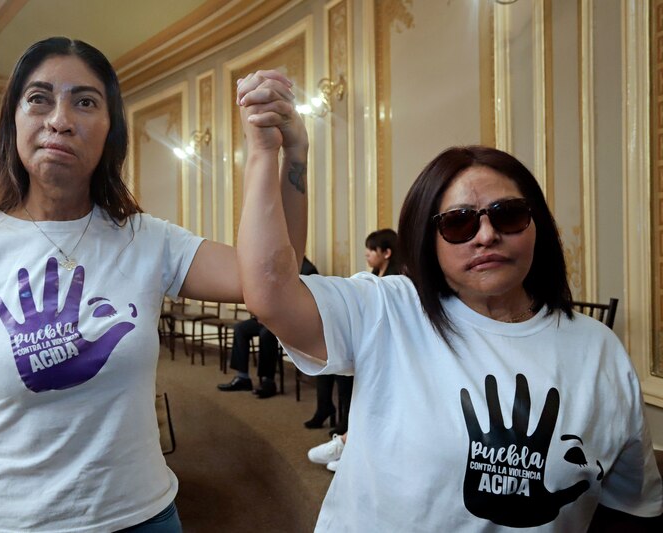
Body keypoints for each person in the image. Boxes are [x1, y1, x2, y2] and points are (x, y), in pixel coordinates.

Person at [0, 38, 306, 532]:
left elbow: (270, 280)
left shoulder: (145, 239)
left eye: (85, 101)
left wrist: (279, 153)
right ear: (13, 119)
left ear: (110, 129)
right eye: (39, 98)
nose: (60, 119)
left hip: (143, 518)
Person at [236, 131, 663, 530]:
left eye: (508, 215)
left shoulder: (599, 348)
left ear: (537, 226)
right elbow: (271, 293)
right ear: (429, 239)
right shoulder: (390, 309)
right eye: (459, 223)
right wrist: (278, 153)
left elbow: (628, 505)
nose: (487, 235)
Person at [305, 229, 399, 434]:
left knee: (346, 370)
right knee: (329, 360)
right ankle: (324, 408)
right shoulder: (373, 276)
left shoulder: (397, 279)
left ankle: (346, 421)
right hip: (367, 333)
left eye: (371, 250)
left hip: (384, 340)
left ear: (387, 253)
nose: (367, 254)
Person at [218, 257, 318, 398]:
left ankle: (268, 381)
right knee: (240, 329)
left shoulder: (309, 270)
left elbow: (306, 303)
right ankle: (243, 377)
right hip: (269, 317)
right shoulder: (280, 265)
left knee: (267, 333)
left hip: (290, 320)